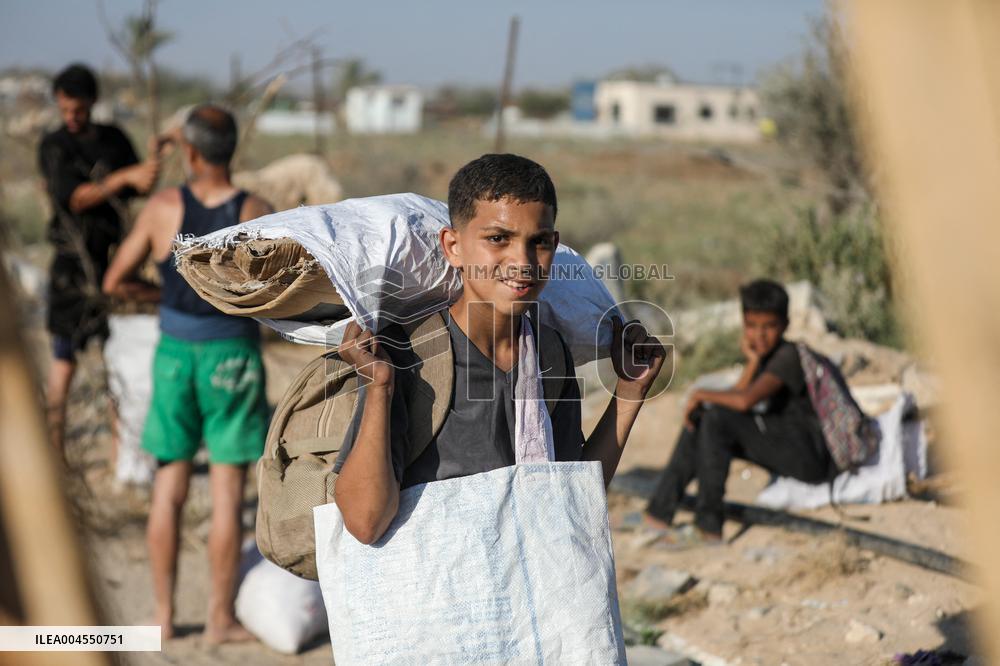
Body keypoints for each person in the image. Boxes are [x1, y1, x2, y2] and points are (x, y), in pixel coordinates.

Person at [333, 153, 667, 545]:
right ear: (453, 246)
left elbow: (573, 496)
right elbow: (365, 523)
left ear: (554, 245)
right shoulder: (409, 355)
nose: (522, 261)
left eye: (538, 243)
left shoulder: (549, 354)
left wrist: (628, 394)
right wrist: (380, 388)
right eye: (498, 239)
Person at [103, 104, 273, 642]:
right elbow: (274, 290)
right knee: (227, 493)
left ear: (191, 153)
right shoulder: (257, 210)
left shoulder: (162, 207)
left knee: (168, 487)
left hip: (175, 356)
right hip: (234, 360)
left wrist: (162, 298)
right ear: (232, 151)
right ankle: (220, 619)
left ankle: (162, 616)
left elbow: (113, 281)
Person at [642, 279, 836, 549]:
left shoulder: (788, 356)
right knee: (704, 418)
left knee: (716, 417)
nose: (760, 335)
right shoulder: (768, 357)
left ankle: (708, 526)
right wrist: (753, 362)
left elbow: (744, 401)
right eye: (752, 326)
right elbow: (738, 394)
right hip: (787, 444)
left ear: (786, 324)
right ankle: (657, 514)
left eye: (768, 326)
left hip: (810, 457)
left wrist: (700, 394)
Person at [38, 63, 161, 455]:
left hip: (114, 264)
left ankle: (120, 454)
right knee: (64, 362)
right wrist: (123, 178)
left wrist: (150, 165)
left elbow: (140, 184)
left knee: (117, 363)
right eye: (65, 110)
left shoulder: (114, 139)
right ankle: (56, 453)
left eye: (78, 110)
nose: (71, 118)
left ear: (92, 103)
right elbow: (74, 198)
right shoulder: (55, 146)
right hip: (72, 268)